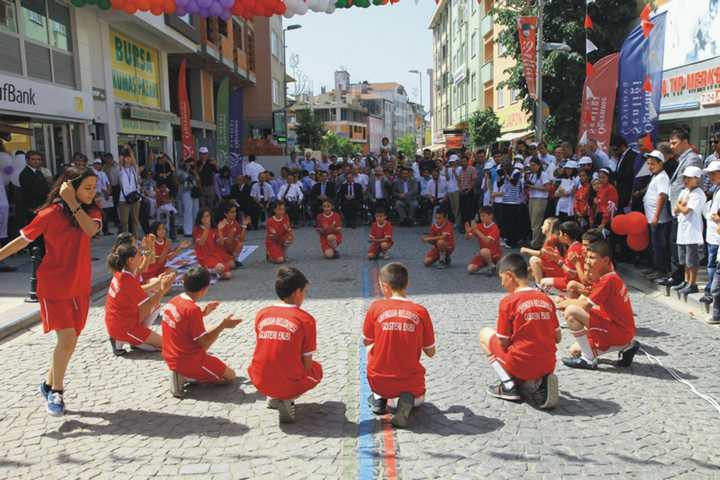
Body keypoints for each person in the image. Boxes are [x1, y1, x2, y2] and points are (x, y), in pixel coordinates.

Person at [0, 167, 101, 416]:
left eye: (94, 187)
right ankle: (57, 392)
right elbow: (23, 239)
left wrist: (72, 203)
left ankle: (46, 384)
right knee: (66, 340)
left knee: (69, 344)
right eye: (87, 187)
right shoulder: (49, 214)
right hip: (53, 287)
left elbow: (90, 230)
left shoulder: (91, 211)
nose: (92, 192)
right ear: (70, 187)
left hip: (79, 286)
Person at [478, 254, 560, 408]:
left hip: (521, 363)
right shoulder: (546, 299)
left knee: (484, 334)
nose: (502, 284)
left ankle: (509, 385)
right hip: (549, 364)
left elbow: (503, 341)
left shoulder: (508, 301)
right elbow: (558, 337)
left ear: (510, 275)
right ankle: (536, 381)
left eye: (501, 278)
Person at [363, 262, 435, 427]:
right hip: (410, 382)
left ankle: (379, 398)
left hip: (379, 379)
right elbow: (430, 352)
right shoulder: (420, 312)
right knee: (419, 399)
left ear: (384, 286)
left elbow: (367, 340)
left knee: (371, 348)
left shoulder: (375, 307)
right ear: (407, 284)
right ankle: (407, 401)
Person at [249, 267, 323, 423]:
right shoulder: (306, 319)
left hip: (259, 379)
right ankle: (286, 398)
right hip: (286, 381)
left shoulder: (262, 313)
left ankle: (273, 395)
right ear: (297, 292)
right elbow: (307, 363)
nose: (305, 296)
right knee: (317, 370)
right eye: (304, 292)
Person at [558, 241, 639, 370]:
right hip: (621, 329)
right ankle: (626, 346)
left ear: (606, 260)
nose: (588, 261)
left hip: (618, 332)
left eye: (592, 258)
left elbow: (585, 305)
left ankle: (588, 359)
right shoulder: (609, 276)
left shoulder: (608, 280)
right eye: (587, 257)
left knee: (571, 311)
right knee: (574, 350)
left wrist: (563, 303)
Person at [162, 267, 241, 398]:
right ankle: (187, 376)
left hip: (170, 352)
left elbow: (182, 321)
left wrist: (203, 313)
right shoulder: (192, 309)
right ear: (205, 289)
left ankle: (184, 372)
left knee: (208, 329)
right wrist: (223, 326)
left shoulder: (175, 300)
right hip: (187, 359)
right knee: (230, 377)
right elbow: (204, 344)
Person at [104, 243, 175, 355]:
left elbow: (139, 289)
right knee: (169, 345)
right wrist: (163, 289)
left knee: (155, 305)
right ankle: (126, 340)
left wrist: (158, 282)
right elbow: (146, 307)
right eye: (139, 255)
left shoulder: (122, 273)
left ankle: (136, 339)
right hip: (124, 327)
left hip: (120, 320)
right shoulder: (127, 279)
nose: (141, 257)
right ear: (131, 260)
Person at [657, 129, 704, 287]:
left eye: (674, 142)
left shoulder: (692, 159)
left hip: (685, 208)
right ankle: (679, 277)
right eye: (670, 142)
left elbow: (691, 184)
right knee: (677, 245)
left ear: (685, 141)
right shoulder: (681, 158)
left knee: (684, 248)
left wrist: (682, 203)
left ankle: (681, 278)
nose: (672, 146)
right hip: (677, 208)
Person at [672, 166, 705, 295]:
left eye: (689, 178)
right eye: (685, 177)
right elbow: (676, 209)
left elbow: (686, 210)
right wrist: (681, 205)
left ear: (696, 179)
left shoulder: (698, 194)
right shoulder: (684, 191)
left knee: (692, 259)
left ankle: (692, 283)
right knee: (684, 259)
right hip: (683, 229)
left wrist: (681, 205)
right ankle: (686, 281)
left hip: (692, 230)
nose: (686, 180)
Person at [642, 150, 672, 282]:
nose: (650, 166)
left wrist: (656, 216)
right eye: (648, 164)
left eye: (653, 164)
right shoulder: (655, 176)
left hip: (659, 219)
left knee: (659, 245)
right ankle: (655, 267)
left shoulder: (662, 177)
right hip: (653, 218)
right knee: (654, 245)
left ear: (661, 163)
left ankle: (662, 270)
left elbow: (662, 196)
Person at [538, 221, 586, 292]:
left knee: (543, 282)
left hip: (571, 282)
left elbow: (572, 274)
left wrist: (557, 260)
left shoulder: (573, 249)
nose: (558, 236)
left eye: (560, 233)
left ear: (566, 236)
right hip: (570, 279)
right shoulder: (576, 246)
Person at [193, 208, 234, 279]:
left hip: (214, 255)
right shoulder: (197, 229)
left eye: (207, 216)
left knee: (228, 273)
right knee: (221, 267)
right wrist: (206, 228)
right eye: (203, 216)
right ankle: (206, 272)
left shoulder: (213, 229)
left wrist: (220, 230)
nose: (205, 218)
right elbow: (201, 243)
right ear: (200, 219)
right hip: (204, 256)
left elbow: (221, 243)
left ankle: (210, 273)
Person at [521, 217, 562, 286]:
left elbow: (542, 254)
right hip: (555, 265)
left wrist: (526, 250)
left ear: (549, 226)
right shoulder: (552, 238)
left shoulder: (551, 239)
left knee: (533, 260)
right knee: (528, 272)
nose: (541, 227)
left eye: (544, 225)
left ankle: (539, 286)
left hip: (556, 267)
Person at [18, 150, 51, 231]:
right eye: (33, 159)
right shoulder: (25, 174)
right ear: (27, 160)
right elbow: (31, 192)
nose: (36, 161)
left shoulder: (39, 172)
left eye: (38, 159)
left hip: (41, 205)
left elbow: (45, 187)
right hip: (32, 207)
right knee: (34, 229)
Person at [465, 206, 502, 275]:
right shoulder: (479, 225)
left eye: (483, 216)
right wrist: (467, 232)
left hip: (495, 254)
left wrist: (476, 230)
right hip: (484, 254)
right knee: (470, 269)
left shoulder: (495, 227)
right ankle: (490, 265)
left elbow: (487, 241)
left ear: (491, 216)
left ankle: (492, 265)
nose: (481, 218)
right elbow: (468, 238)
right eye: (481, 216)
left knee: (484, 250)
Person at [703, 160, 720, 307]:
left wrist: (714, 216)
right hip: (712, 235)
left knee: (712, 267)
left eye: (713, 173)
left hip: (716, 236)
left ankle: (711, 292)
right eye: (709, 174)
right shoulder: (716, 189)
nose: (710, 177)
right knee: (711, 265)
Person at [526, 158, 552, 248]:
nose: (531, 167)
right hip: (532, 198)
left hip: (540, 199)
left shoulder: (543, 174)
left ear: (539, 165)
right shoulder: (532, 175)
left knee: (536, 223)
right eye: (530, 165)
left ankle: (535, 244)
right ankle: (537, 241)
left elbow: (548, 188)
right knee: (533, 222)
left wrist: (533, 187)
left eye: (533, 165)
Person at [118, 147, 142, 236]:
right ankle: (126, 237)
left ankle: (135, 236)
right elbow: (120, 162)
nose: (127, 160)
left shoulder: (134, 169)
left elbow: (135, 163)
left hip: (135, 197)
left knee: (135, 219)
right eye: (126, 158)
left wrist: (131, 151)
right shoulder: (120, 169)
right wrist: (123, 150)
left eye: (129, 158)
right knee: (124, 220)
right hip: (123, 198)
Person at [177, 159, 200, 238]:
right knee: (188, 210)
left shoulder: (194, 171)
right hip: (186, 192)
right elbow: (180, 179)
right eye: (189, 164)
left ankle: (195, 228)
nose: (191, 166)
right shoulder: (181, 171)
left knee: (195, 211)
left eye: (192, 164)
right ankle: (187, 230)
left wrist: (195, 173)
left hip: (195, 192)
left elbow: (198, 180)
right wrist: (187, 171)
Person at [93, 158, 115, 235]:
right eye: (96, 164)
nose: (97, 165)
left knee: (105, 214)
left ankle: (105, 230)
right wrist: (104, 191)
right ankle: (96, 231)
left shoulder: (103, 173)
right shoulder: (93, 173)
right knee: (96, 214)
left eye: (99, 164)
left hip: (104, 196)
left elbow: (107, 183)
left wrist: (108, 192)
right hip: (96, 195)